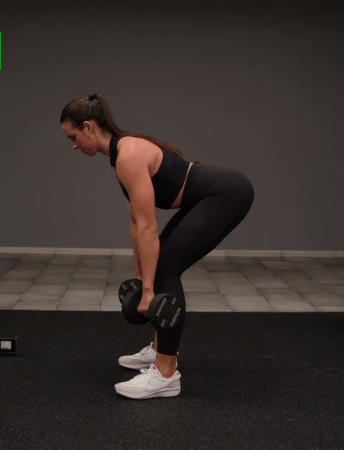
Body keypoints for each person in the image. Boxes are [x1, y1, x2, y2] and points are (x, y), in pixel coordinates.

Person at [60, 93, 254, 400]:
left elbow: (149, 226)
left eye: (73, 137)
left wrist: (149, 291)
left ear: (89, 127)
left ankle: (166, 373)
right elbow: (135, 223)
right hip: (209, 196)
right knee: (159, 263)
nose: (73, 145)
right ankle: (159, 347)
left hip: (226, 193)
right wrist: (140, 276)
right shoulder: (120, 157)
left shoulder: (128, 156)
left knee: (165, 267)